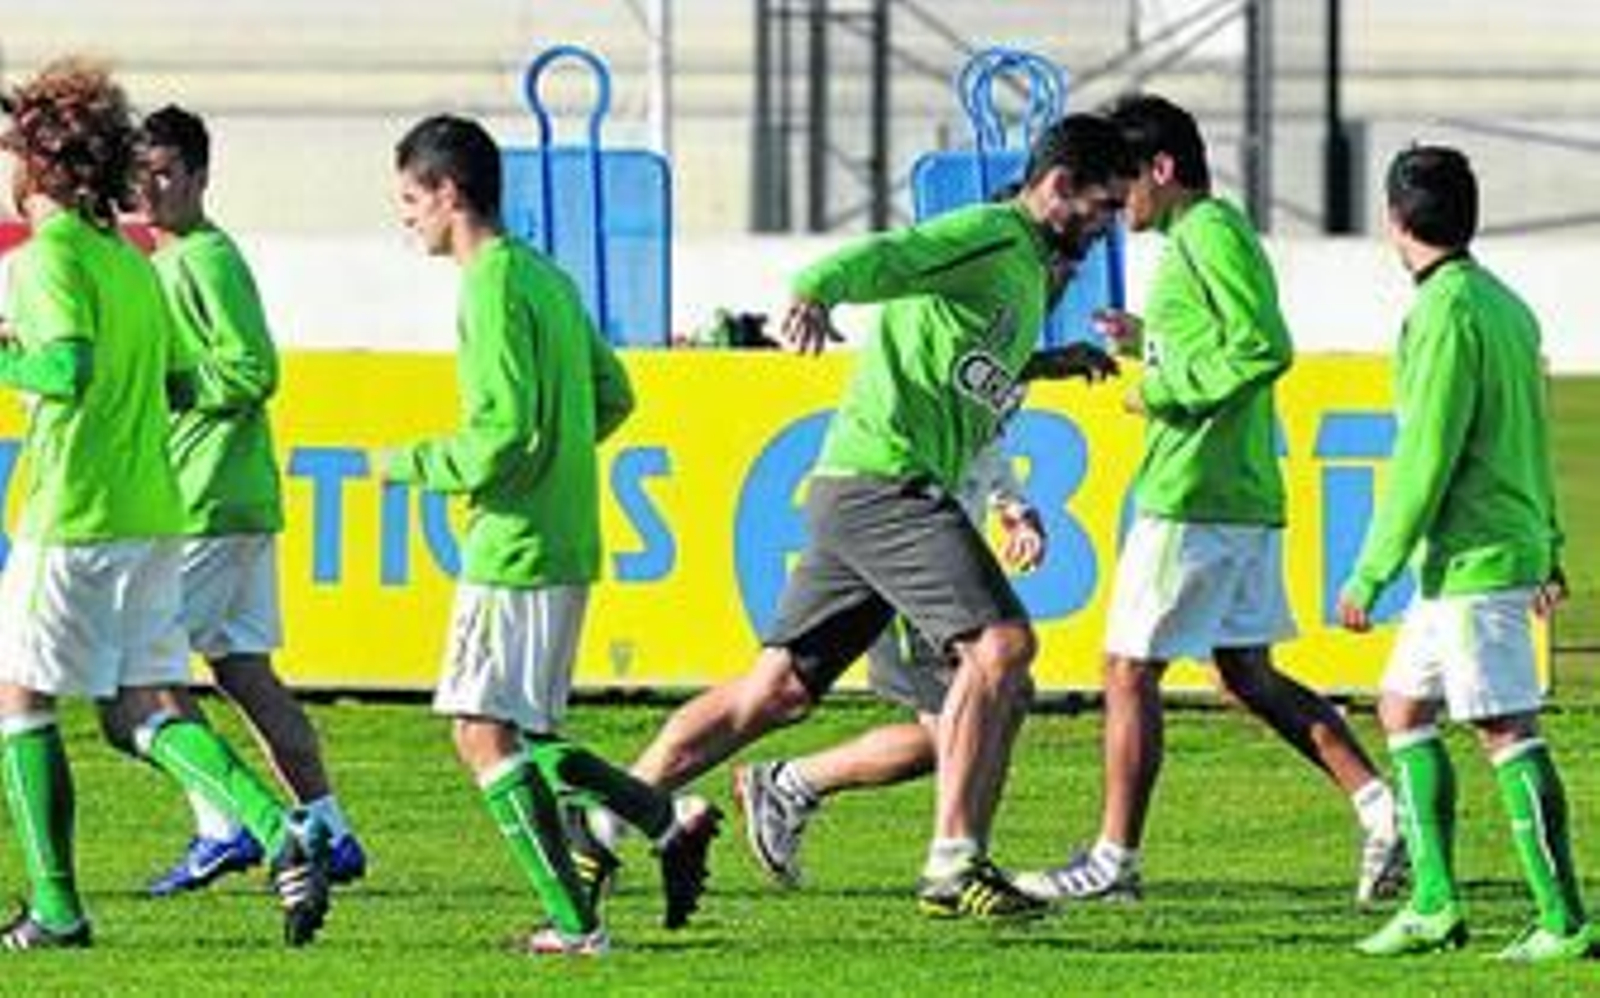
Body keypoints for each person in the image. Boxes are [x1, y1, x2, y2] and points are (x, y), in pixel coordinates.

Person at [578, 113, 1135, 921]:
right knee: (1003, 649)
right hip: (890, 482)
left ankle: (602, 819)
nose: (1108, 224)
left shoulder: (1024, 271)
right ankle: (954, 864)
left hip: (861, 486)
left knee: (776, 692)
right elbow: (891, 256)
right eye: (1103, 205)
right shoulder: (992, 235)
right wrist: (817, 289)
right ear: (1059, 186)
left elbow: (963, 369)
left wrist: (1046, 365)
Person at [1016, 94, 1405, 906]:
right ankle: (1383, 811)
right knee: (1246, 675)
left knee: (1127, 669)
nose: (1115, 202)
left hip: (1194, 490)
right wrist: (1148, 340)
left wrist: (1161, 390)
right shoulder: (1201, 237)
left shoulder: (1208, 233)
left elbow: (1263, 348)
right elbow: (1223, 341)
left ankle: (1113, 862)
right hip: (1235, 491)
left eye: (1124, 182)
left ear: (1162, 169)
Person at [0, 57, 330, 951]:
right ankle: (280, 828)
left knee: (19, 700)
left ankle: (58, 909)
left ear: (38, 166)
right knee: (138, 709)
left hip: (74, 513)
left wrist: (9, 355)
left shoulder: (49, 258)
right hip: (152, 513)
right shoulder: (130, 262)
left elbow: (64, 370)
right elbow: (171, 378)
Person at [378, 114, 720, 957]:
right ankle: (664, 818)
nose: (406, 218)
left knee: (480, 731)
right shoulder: (544, 276)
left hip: (516, 543)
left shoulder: (490, 285)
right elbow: (615, 395)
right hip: (564, 535)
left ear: (448, 193)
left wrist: (409, 463)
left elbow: (501, 436)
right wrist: (560, 458)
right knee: (524, 734)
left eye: (410, 200)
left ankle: (576, 924)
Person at [1339, 145, 1594, 962]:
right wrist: (1548, 541)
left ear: (1394, 219)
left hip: (1473, 557)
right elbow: (1531, 437)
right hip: (1478, 553)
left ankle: (1565, 920)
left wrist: (1371, 569)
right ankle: (1435, 905)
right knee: (1402, 708)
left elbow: (1427, 454)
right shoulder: (1505, 305)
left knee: (1503, 726)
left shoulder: (1444, 312)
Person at [132, 103, 367, 897]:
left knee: (145, 671)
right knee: (245, 675)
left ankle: (223, 825)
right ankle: (332, 830)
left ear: (201, 177)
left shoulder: (203, 259)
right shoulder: (173, 258)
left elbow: (254, 368)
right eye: (141, 172)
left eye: (166, 172)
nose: (150, 187)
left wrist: (165, 384)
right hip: (233, 499)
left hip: (206, 497)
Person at [731, 443, 1046, 888]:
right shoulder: (903, 415)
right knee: (969, 724)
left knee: (974, 722)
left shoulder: (975, 412)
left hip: (938, 566)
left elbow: (983, 445)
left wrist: (1014, 506)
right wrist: (1012, 505)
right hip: (911, 566)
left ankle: (791, 785)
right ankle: (957, 863)